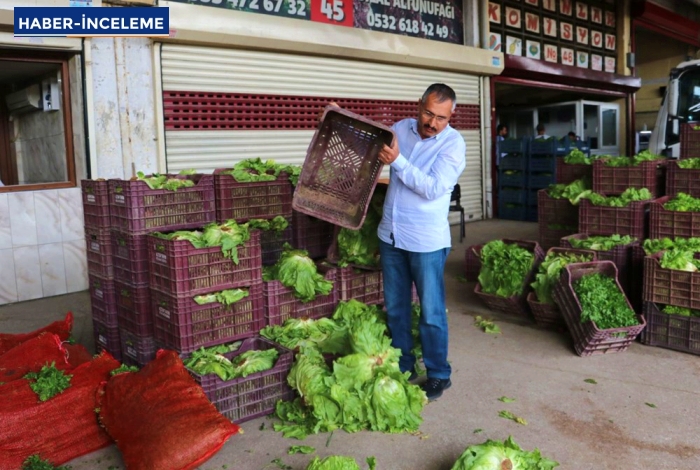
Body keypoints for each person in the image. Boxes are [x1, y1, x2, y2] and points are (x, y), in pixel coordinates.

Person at [376, 83, 466, 401]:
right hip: (391, 235)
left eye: (441, 117)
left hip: (426, 241)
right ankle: (404, 365)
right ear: (419, 106)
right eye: (428, 113)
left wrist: (398, 161)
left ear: (450, 116)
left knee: (430, 312)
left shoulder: (454, 145)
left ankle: (439, 373)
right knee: (397, 308)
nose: (432, 122)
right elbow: (371, 143)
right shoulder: (400, 129)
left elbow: (431, 188)